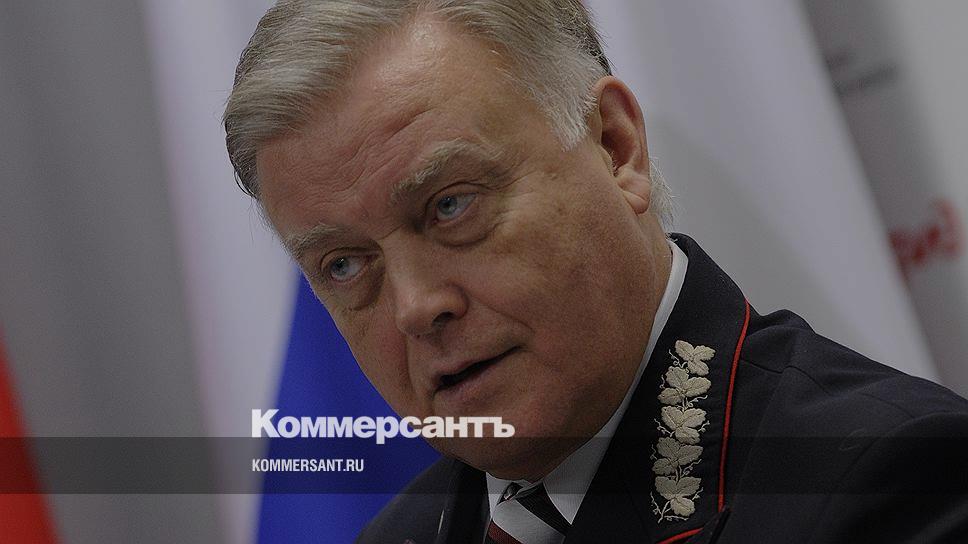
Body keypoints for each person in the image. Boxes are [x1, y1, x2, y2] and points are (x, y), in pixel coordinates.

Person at [223, 1, 968, 542]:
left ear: (616, 148)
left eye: (450, 205)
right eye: (344, 264)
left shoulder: (889, 484)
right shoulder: (398, 535)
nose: (417, 307)